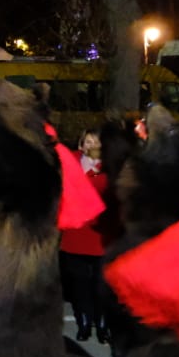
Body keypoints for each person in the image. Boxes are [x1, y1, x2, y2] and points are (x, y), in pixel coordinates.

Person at [60, 132, 109, 342]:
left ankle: (102, 325)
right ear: (81, 145)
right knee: (80, 285)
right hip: (76, 235)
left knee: (101, 285)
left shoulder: (110, 167)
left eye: (97, 140)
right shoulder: (71, 165)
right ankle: (84, 323)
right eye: (88, 141)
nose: (93, 144)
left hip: (102, 236)